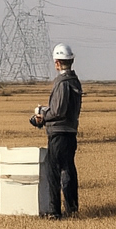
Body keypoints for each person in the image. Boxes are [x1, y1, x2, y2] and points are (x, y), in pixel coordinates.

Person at [30, 42, 82, 218]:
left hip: (58, 134)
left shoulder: (62, 82)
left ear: (57, 63)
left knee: (55, 172)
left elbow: (58, 110)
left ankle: (54, 212)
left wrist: (43, 115)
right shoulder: (75, 82)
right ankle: (72, 209)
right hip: (70, 132)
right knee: (68, 169)